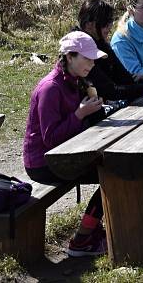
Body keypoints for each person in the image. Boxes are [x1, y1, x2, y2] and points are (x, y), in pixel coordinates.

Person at [22, 31, 109, 256]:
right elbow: (51, 138)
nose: (92, 63)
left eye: (93, 59)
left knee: (114, 166)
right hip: (43, 163)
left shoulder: (77, 80)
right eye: (87, 58)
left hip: (67, 153)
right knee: (111, 173)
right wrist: (80, 114)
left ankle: (94, 230)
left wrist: (93, 111)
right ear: (69, 57)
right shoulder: (50, 88)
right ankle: (82, 240)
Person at [75, 0, 143, 103]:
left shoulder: (100, 42)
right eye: (105, 22)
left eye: (110, 20)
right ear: (88, 25)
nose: (110, 26)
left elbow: (125, 78)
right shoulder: (80, 49)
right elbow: (110, 92)